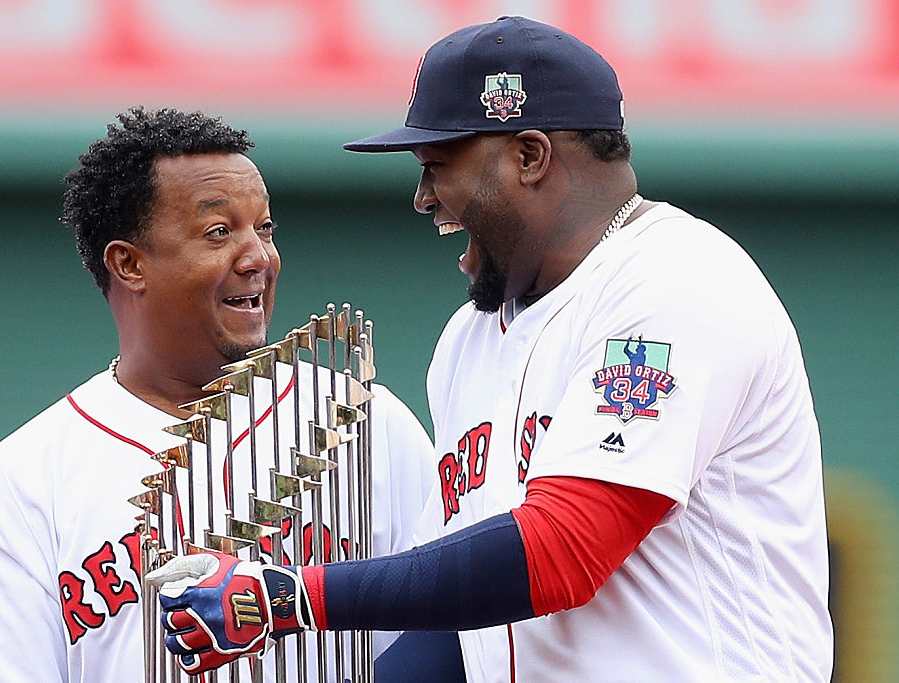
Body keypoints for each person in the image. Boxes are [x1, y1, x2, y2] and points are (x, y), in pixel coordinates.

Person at [147, 16, 834, 682]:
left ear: (529, 156)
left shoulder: (676, 279)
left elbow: (562, 551)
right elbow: (457, 630)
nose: (423, 197)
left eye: (438, 164)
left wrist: (290, 595)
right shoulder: (468, 342)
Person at [0, 107, 440, 682]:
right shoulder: (29, 474)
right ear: (129, 264)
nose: (258, 258)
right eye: (219, 232)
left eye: (265, 229)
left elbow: (451, 635)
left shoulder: (362, 421)